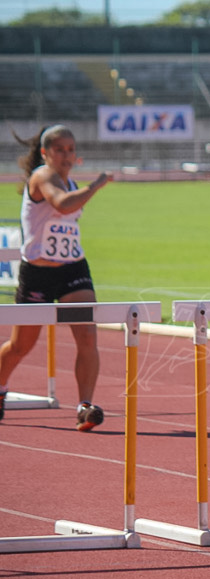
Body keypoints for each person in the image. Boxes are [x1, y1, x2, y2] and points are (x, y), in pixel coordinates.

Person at [0, 125, 112, 430]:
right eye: (60, 149)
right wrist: (96, 185)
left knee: (87, 336)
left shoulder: (69, 180)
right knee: (22, 345)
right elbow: (62, 204)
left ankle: (84, 406)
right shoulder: (43, 177)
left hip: (72, 268)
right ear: (46, 153)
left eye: (71, 149)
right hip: (37, 273)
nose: (66, 154)